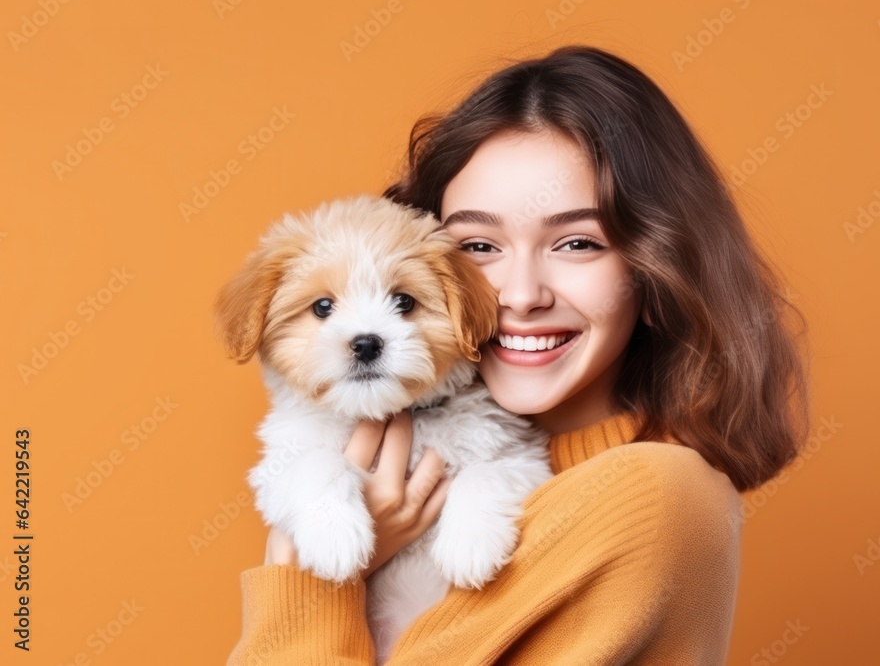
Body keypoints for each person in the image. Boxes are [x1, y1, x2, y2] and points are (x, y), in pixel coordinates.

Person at [226, 44, 810, 665]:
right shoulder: (404, 460)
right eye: (479, 245)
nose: (520, 296)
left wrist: (311, 585)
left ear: (653, 269)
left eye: (577, 242)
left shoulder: (654, 495)